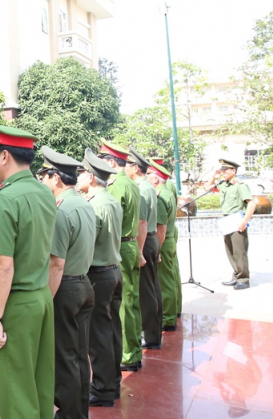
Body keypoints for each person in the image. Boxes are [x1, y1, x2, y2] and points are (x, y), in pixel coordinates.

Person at [0, 121, 57, 419]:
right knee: (39, 383)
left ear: (4, 156)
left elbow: (3, 266)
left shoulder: (6, 198)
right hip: (40, 298)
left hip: (16, 303)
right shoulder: (43, 193)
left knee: (15, 390)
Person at [40, 146, 96, 419]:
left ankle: (69, 414)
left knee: (65, 357)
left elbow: (56, 263)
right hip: (84, 284)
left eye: (44, 175)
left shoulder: (61, 211)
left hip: (66, 288)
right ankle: (80, 411)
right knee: (79, 354)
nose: (42, 181)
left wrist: (47, 300)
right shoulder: (85, 204)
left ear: (56, 179)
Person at [77, 149, 123, 408]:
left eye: (83, 173)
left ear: (92, 178)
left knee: (99, 335)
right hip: (113, 270)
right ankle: (112, 382)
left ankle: (104, 388)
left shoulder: (94, 204)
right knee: (111, 330)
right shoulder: (110, 200)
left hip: (98, 274)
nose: (80, 177)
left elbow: (87, 243)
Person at [99, 139, 141, 373]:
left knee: (123, 304)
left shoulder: (116, 185)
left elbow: (110, 222)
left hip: (121, 246)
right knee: (132, 301)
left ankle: (127, 353)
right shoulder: (132, 183)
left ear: (112, 162)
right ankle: (134, 350)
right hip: (132, 243)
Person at [126, 147, 163, 350]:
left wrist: (139, 251)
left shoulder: (140, 188)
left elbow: (141, 222)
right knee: (152, 287)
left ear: (135, 168)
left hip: (145, 238)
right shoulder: (147, 186)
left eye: (127, 165)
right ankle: (154, 333)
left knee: (146, 291)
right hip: (150, 239)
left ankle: (150, 335)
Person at [207, 159, 256, 290]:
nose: (223, 173)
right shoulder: (224, 184)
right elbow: (207, 188)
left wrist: (244, 222)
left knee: (240, 251)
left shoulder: (240, 185)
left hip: (236, 220)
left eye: (225, 170)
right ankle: (236, 275)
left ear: (233, 171)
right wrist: (213, 177)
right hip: (226, 220)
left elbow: (251, 204)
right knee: (230, 250)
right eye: (222, 170)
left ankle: (244, 279)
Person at [147, 161, 179, 331]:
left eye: (149, 176)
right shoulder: (168, 193)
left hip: (164, 242)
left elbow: (161, 228)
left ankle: (168, 318)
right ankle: (172, 313)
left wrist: (157, 250)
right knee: (170, 278)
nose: (148, 179)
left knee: (164, 281)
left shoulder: (160, 197)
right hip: (170, 240)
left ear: (156, 179)